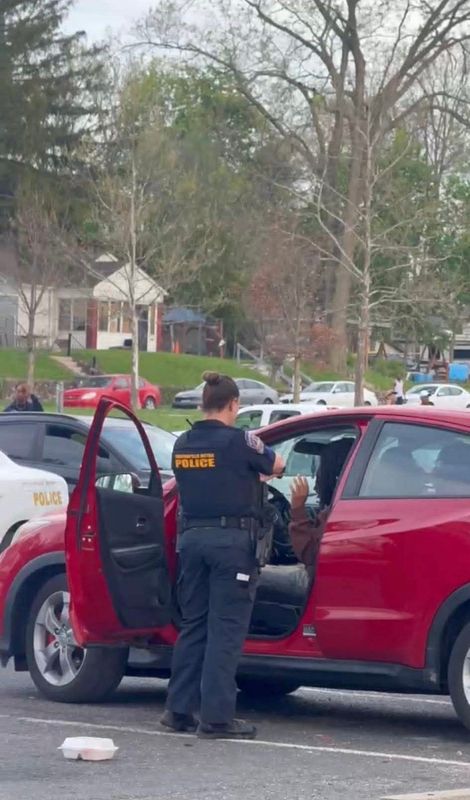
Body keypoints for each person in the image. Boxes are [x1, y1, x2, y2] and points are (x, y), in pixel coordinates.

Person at [161, 372, 285, 741]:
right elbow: (276, 465)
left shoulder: (182, 443)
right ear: (233, 405)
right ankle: (216, 718)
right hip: (230, 545)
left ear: (202, 404)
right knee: (225, 630)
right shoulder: (240, 441)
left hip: (192, 542)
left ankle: (178, 710)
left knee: (194, 626)